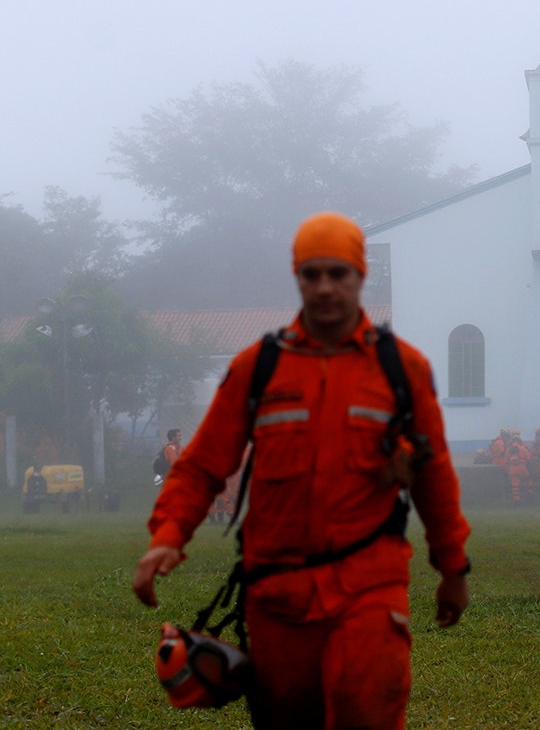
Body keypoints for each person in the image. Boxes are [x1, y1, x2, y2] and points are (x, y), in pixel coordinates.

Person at [131, 211, 471, 730]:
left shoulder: (402, 369)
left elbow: (435, 476)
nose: (325, 287)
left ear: (361, 276)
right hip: (277, 593)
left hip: (369, 585)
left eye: (339, 273)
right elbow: (202, 465)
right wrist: (168, 534)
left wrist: (452, 568)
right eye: (312, 274)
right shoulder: (258, 368)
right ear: (297, 278)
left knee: (368, 709)